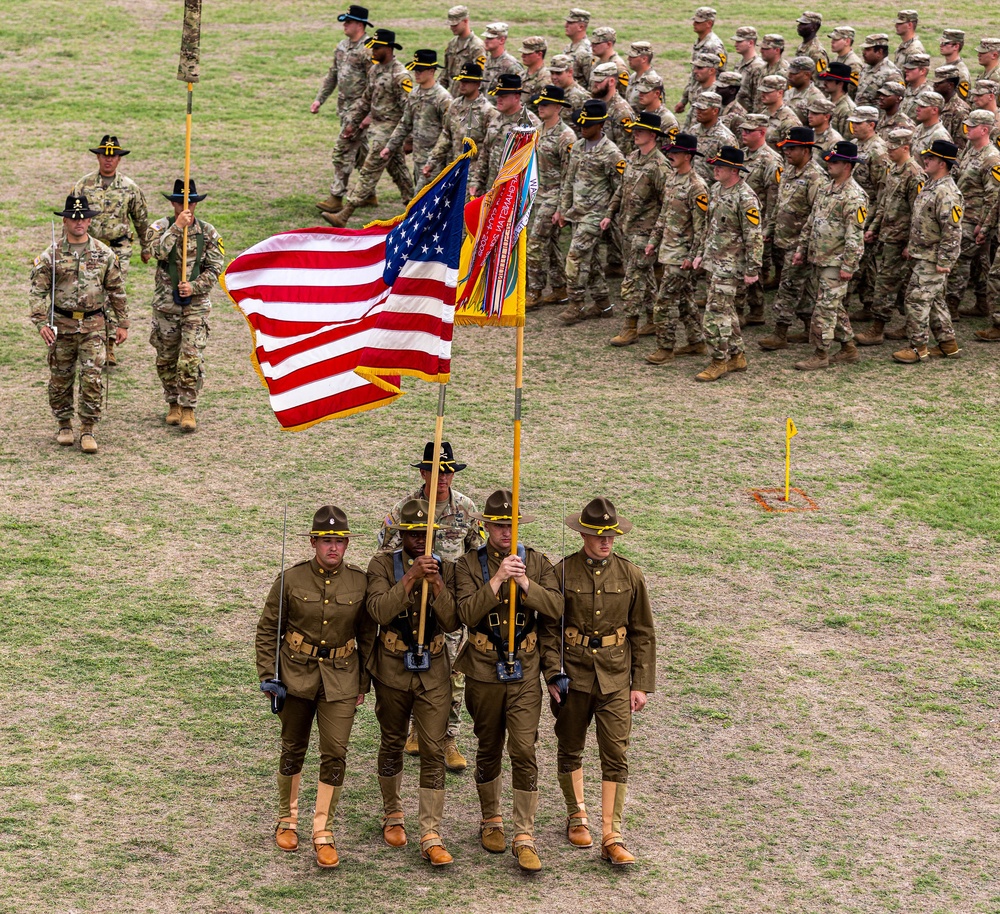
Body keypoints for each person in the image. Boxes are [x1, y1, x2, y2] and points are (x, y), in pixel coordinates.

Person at [255, 505, 374, 868]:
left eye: (339, 541)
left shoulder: (360, 581)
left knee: (335, 751)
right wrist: (267, 676)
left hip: (341, 678)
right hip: (294, 675)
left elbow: (368, 635)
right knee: (293, 747)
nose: (333, 547)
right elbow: (268, 630)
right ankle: (286, 820)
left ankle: (324, 831)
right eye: (326, 540)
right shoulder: (291, 579)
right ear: (313, 542)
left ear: (347, 543)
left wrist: (363, 682)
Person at [539, 497, 655, 866]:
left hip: (616, 676)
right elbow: (548, 631)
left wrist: (641, 684)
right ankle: (577, 815)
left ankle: (612, 833)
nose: (606, 541)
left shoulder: (630, 575)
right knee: (570, 746)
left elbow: (642, 632)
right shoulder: (561, 573)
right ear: (584, 533)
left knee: (616, 753)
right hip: (573, 675)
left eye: (611, 535)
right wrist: (553, 673)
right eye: (599, 535)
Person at [453, 490, 562, 872]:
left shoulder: (536, 561)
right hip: (483, 668)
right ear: (485, 526)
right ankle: (490, 819)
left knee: (524, 748)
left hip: (526, 669)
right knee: (488, 745)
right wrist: (499, 578)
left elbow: (557, 608)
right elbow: (465, 613)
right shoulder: (468, 565)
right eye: (499, 525)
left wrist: (527, 584)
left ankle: (524, 834)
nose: (505, 532)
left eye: (512, 525)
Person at [366, 499, 461, 866]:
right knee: (391, 740)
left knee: (434, 747)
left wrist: (435, 583)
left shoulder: (447, 569)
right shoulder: (381, 565)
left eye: (426, 533)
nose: (420, 540)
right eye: (413, 533)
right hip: (392, 665)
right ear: (402, 533)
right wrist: (409, 578)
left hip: (434, 668)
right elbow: (377, 611)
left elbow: (454, 623)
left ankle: (430, 831)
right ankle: (392, 812)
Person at [377, 441, 482, 770]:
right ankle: (415, 730)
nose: (443, 478)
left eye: (448, 472)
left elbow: (477, 554)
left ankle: (449, 737)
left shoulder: (465, 509)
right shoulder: (404, 508)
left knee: (453, 672)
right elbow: (385, 551)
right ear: (424, 472)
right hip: (410, 603)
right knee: (411, 667)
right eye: (436, 471)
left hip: (447, 601)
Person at [29, 194, 127, 454]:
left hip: (93, 325)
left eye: (83, 217)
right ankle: (63, 424)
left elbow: (116, 290)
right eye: (74, 218)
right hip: (61, 325)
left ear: (89, 220)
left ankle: (87, 428)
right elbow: (38, 292)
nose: (79, 222)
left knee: (92, 378)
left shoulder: (104, 253)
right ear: (65, 221)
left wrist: (122, 323)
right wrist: (41, 323)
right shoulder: (51, 255)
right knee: (60, 378)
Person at [147, 179, 224, 431]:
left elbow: (215, 268)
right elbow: (154, 253)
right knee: (166, 358)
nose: (186, 207)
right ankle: (173, 403)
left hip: (195, 306)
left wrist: (194, 286)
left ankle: (189, 407)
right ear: (173, 203)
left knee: (190, 357)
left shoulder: (208, 232)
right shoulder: (160, 227)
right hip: (166, 306)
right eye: (181, 202)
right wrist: (176, 229)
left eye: (190, 202)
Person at [73, 135, 151, 366]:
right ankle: (88, 340)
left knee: (112, 293)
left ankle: (108, 345)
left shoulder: (129, 187)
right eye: (105, 155)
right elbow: (72, 217)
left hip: (119, 248)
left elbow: (141, 220)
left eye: (113, 156)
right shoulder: (83, 185)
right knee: (89, 293)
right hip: (90, 248)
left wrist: (146, 247)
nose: (109, 160)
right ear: (98, 157)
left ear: (119, 159)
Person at [792, 141, 868, 370]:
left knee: (824, 308)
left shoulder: (854, 196)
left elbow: (855, 235)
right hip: (820, 257)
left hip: (836, 261)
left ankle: (821, 353)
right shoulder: (827, 188)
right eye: (828, 160)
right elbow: (811, 222)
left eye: (834, 162)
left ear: (848, 166)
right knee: (832, 305)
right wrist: (801, 249)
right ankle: (848, 348)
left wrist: (848, 265)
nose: (829, 165)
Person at [325, 29, 412, 227]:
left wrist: (408, 139)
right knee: (399, 170)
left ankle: (345, 214)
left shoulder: (400, 76)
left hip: (390, 131)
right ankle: (414, 206)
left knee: (369, 170)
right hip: (378, 127)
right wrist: (352, 123)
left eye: (377, 47)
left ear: (388, 49)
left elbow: (409, 110)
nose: (372, 51)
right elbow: (365, 100)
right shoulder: (375, 70)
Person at [691, 146, 763, 381]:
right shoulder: (716, 189)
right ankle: (736, 355)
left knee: (715, 313)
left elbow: (754, 236)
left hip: (731, 265)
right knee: (726, 311)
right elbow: (710, 227)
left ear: (734, 170)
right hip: (714, 261)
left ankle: (718, 360)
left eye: (720, 166)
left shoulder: (746, 197)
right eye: (715, 165)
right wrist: (701, 253)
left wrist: (753, 268)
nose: (715, 169)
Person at [602, 112, 671, 345]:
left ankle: (630, 326)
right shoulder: (632, 157)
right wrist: (609, 213)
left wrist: (657, 235)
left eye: (640, 130)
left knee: (632, 278)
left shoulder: (660, 165)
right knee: (646, 277)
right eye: (634, 129)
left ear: (653, 134)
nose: (635, 133)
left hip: (646, 233)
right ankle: (652, 318)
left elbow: (667, 203)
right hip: (627, 228)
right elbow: (621, 189)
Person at [893, 140, 964, 362]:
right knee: (935, 301)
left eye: (931, 158)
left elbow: (952, 231)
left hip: (933, 258)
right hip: (923, 254)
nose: (926, 160)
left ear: (943, 163)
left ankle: (917, 348)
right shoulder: (931, 184)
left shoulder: (947, 192)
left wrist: (945, 261)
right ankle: (948, 344)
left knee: (916, 300)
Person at [554, 99, 624, 325]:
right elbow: (568, 180)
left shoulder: (611, 153)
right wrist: (563, 210)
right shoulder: (577, 146)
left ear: (600, 124)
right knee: (591, 259)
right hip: (577, 212)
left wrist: (609, 214)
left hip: (596, 216)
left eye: (588, 124)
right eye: (580, 124)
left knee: (574, 256)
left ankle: (575, 304)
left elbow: (622, 187)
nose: (582, 128)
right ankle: (603, 304)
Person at [645, 132, 710, 364]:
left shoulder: (697, 187)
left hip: (681, 255)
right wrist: (654, 239)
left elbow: (702, 227)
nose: (670, 155)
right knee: (684, 299)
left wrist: (692, 256)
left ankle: (665, 348)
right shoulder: (672, 178)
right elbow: (664, 214)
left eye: (676, 152)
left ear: (688, 156)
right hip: (668, 250)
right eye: (670, 152)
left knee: (664, 302)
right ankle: (696, 341)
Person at [759, 127, 824, 350]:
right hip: (783, 240)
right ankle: (808, 329)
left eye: (792, 148)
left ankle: (780, 332)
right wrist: (769, 230)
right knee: (803, 288)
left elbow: (817, 215)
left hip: (799, 245)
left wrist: (804, 247)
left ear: (806, 150)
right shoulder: (788, 171)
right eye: (785, 148)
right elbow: (780, 206)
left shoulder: (815, 177)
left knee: (787, 287)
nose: (787, 152)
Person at [312, 5, 373, 216]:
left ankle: (336, 196)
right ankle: (369, 191)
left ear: (360, 24)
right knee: (361, 151)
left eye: (348, 21)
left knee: (343, 151)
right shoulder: (342, 46)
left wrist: (369, 113)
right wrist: (319, 99)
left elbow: (375, 83)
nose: (344, 25)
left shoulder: (369, 49)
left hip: (359, 110)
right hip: (344, 108)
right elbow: (333, 75)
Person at [525, 85, 576, 311]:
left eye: (545, 104)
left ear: (558, 107)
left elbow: (570, 174)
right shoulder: (539, 130)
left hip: (555, 196)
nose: (540, 108)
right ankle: (559, 287)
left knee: (535, 242)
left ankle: (534, 291)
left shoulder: (566, 136)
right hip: (539, 192)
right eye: (539, 104)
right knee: (551, 243)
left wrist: (562, 208)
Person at [382, 50, 452, 193]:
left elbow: (449, 132)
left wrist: (438, 159)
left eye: (420, 70)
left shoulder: (442, 98)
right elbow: (405, 123)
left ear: (432, 70)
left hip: (436, 161)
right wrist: (390, 146)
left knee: (424, 201)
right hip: (419, 158)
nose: (416, 73)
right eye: (415, 69)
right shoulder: (414, 94)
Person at [424, 62, 499, 183]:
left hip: (475, 176)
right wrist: (432, 162)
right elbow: (446, 136)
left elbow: (491, 148)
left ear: (478, 84)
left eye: (467, 81)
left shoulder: (488, 112)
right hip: (455, 171)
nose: (462, 84)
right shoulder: (455, 105)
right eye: (461, 80)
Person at [469, 74, 541, 197]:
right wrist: (477, 181)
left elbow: (535, 164)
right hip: (492, 188)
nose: (499, 99)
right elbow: (485, 153)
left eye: (503, 96)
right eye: (498, 96)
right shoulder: (496, 119)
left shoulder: (530, 124)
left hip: (514, 194)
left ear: (516, 97)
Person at [675, 7, 726, 120]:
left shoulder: (714, 46)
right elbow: (693, 74)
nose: (694, 24)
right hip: (696, 98)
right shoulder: (699, 42)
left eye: (698, 22)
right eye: (694, 20)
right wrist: (684, 99)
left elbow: (719, 74)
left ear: (709, 23)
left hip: (706, 101)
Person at [441, 5, 486, 98]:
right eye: (451, 25)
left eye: (455, 25)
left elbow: (481, 78)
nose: (452, 28)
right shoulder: (452, 44)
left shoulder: (477, 47)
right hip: (452, 100)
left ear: (465, 21)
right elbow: (445, 74)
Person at [856, 34, 902, 108]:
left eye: (867, 49)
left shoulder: (892, 74)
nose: (864, 52)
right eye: (864, 49)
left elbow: (896, 104)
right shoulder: (866, 68)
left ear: (879, 52)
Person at [481, 22, 525, 101]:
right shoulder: (486, 61)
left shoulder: (512, 66)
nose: (486, 41)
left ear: (502, 40)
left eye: (490, 38)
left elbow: (519, 95)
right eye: (486, 38)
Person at [732, 26, 766, 113]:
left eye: (739, 41)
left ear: (750, 43)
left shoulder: (758, 67)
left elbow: (758, 99)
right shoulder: (739, 64)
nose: (735, 44)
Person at [519, 36, 552, 114]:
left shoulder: (546, 80)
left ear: (539, 54)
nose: (522, 56)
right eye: (523, 53)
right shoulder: (521, 75)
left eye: (527, 53)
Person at [562, 7, 593, 85]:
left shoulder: (585, 52)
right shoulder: (569, 48)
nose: (565, 25)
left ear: (581, 27)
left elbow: (591, 83)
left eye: (570, 23)